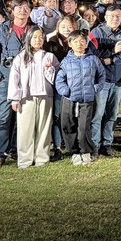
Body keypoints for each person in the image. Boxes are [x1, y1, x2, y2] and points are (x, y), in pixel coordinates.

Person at [0, 0, 34, 169]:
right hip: (6, 80)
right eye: (19, 7)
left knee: (23, 116)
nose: (23, 10)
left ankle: (16, 149)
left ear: (30, 10)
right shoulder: (3, 29)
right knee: (3, 117)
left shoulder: (35, 29)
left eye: (26, 7)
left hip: (28, 80)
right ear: (12, 10)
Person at [7, 26, 60, 169]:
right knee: (25, 129)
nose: (38, 40)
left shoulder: (50, 57)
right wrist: (15, 98)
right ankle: (25, 159)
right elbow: (14, 78)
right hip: (26, 98)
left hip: (45, 96)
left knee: (44, 128)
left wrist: (50, 70)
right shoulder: (21, 57)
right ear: (29, 38)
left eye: (41, 37)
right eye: (35, 37)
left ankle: (42, 158)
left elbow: (56, 79)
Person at [88, 4, 121, 157]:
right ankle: (95, 144)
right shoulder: (96, 32)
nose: (115, 18)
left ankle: (107, 143)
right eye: (112, 16)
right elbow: (92, 52)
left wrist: (112, 60)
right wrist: (111, 52)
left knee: (112, 114)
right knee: (98, 113)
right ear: (106, 17)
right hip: (101, 80)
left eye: (118, 16)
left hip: (118, 79)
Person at [55, 30, 105, 166]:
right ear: (70, 44)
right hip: (69, 98)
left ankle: (86, 151)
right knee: (68, 125)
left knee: (84, 127)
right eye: (75, 41)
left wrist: (95, 88)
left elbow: (101, 75)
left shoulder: (93, 59)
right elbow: (59, 79)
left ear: (86, 42)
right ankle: (74, 152)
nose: (79, 44)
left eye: (82, 41)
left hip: (87, 99)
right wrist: (65, 91)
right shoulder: (66, 61)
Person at [44, 15, 77, 161]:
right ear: (58, 28)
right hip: (57, 84)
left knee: (73, 115)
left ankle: (72, 144)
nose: (66, 29)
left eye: (69, 27)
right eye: (63, 26)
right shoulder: (51, 43)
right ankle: (57, 146)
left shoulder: (78, 41)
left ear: (74, 27)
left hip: (75, 85)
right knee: (57, 115)